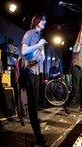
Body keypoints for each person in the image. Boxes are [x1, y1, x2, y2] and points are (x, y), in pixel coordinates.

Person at [19, 13, 47, 146]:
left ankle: (35, 124)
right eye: (43, 20)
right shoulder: (29, 33)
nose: (45, 22)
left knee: (35, 102)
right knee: (32, 103)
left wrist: (42, 55)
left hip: (35, 72)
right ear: (37, 22)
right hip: (28, 70)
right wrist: (39, 45)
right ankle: (38, 135)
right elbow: (24, 52)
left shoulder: (41, 37)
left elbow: (40, 57)